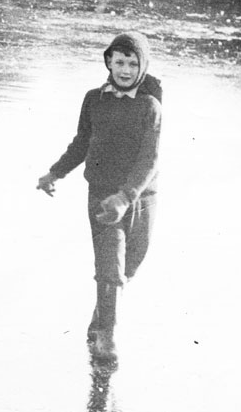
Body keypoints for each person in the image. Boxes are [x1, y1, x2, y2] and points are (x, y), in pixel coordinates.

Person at [37, 31, 162, 364]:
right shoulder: (94, 99)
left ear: (143, 66)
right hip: (103, 196)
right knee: (109, 266)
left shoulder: (150, 106)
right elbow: (82, 142)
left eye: (132, 63)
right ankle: (106, 334)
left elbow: (149, 159)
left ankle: (101, 314)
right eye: (119, 62)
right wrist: (55, 172)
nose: (125, 70)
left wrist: (127, 197)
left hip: (141, 198)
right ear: (109, 62)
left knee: (131, 263)